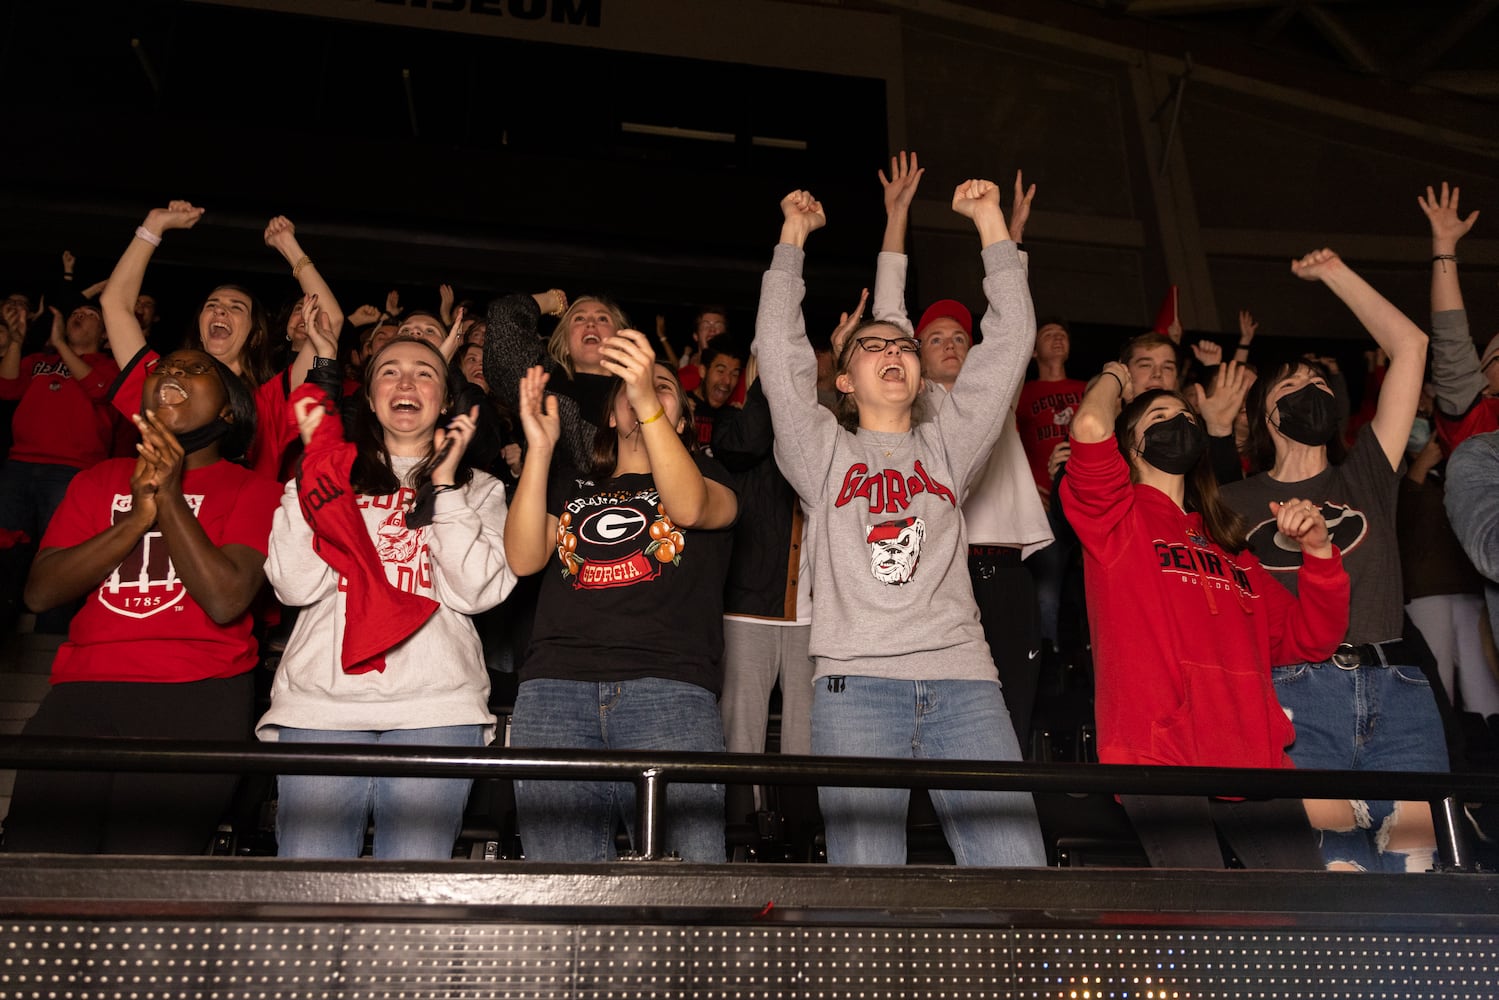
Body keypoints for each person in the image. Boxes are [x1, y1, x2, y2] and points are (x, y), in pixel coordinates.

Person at [754, 182, 1045, 867]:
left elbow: (1010, 343)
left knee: (1016, 872)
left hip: (964, 681)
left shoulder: (949, 443)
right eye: (873, 346)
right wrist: (791, 242)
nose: (894, 351)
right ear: (845, 380)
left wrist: (990, 225)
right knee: (863, 881)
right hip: (855, 688)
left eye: (905, 346)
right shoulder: (821, 450)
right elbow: (779, 350)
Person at [1061, 367, 1348, 868]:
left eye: (1186, 415)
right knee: (1200, 918)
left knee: (1307, 912)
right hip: (1160, 750)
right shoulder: (1114, 516)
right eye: (1160, 415)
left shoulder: (1228, 544)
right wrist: (1112, 376)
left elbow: (1311, 638)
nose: (1180, 422)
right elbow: (1089, 426)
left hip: (1250, 750)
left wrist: (1320, 554)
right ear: (1130, 445)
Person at [1221, 248, 1448, 872]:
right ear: (1263, 410)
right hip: (1296, 695)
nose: (1310, 390)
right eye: (1291, 384)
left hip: (1397, 688)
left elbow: (1411, 347)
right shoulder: (1232, 501)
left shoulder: (1368, 474)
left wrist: (1336, 275)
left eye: (1320, 384)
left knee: (1419, 875)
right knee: (1331, 880)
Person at [254, 321, 516, 860]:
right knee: (308, 888)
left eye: (424, 374)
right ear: (370, 400)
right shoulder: (326, 474)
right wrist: (313, 480)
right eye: (389, 372)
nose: (405, 383)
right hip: (320, 708)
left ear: (445, 400)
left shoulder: (481, 487)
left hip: (436, 710)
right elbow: (294, 584)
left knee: (412, 895)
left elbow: (474, 592)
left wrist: (444, 487)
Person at [3, 348, 281, 853]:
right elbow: (40, 592)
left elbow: (225, 599)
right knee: (38, 869)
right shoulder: (98, 479)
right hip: (82, 693)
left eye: (197, 369)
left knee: (143, 879)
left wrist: (170, 497)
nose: (173, 372)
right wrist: (135, 518)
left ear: (227, 412)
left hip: (195, 697)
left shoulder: (255, 491)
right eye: (166, 367)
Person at [505, 332, 737, 862]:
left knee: (687, 892)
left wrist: (646, 394)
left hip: (669, 690)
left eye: (663, 388)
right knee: (564, 893)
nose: (643, 391)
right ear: (610, 415)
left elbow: (688, 509)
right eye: (630, 388)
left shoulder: (713, 477)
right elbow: (522, 558)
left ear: (680, 420)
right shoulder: (572, 483)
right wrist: (540, 451)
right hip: (556, 689)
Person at [97, 203, 342, 481]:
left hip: (245, 522)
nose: (220, 311)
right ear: (201, 329)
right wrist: (153, 227)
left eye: (236, 307)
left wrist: (288, 245)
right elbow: (114, 304)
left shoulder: (271, 402)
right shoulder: (165, 385)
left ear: (255, 336)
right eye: (212, 305)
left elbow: (329, 320)